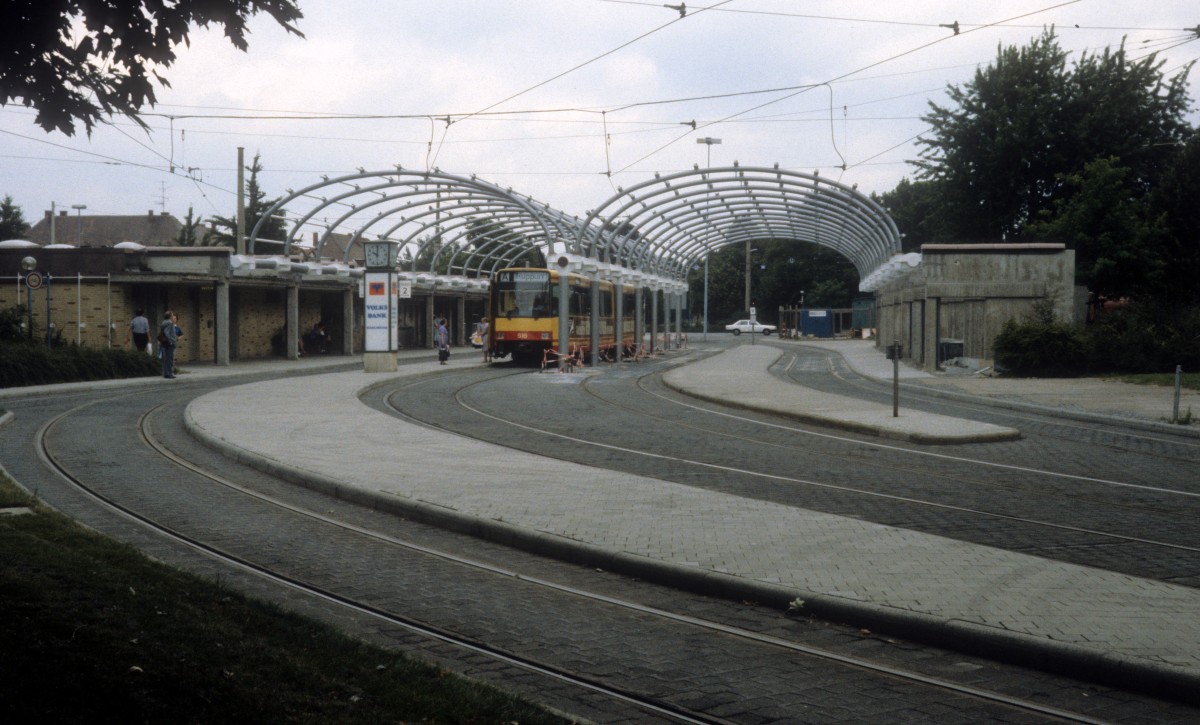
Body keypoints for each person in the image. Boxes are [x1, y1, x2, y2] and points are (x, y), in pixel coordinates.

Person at [159, 311, 178, 379]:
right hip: (169, 343)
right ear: (170, 316)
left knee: (166, 359)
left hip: (164, 343)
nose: (173, 317)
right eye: (172, 315)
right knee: (169, 359)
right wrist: (171, 341)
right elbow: (167, 333)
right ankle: (169, 373)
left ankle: (166, 373)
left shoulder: (163, 322)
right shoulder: (169, 323)